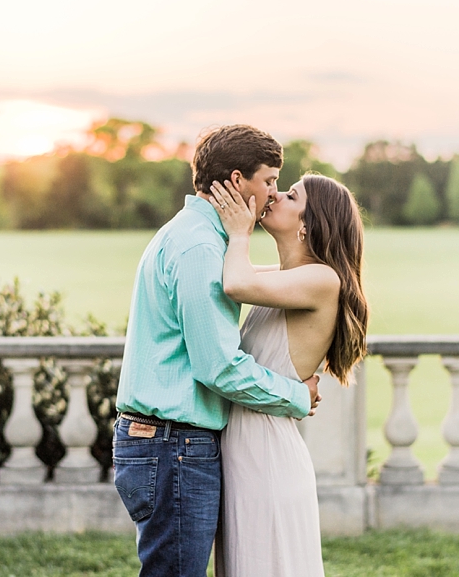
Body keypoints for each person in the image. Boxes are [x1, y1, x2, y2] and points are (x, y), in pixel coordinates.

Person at [113, 125, 322, 577]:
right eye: (268, 180)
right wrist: (297, 396)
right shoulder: (201, 248)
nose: (273, 192)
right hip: (173, 447)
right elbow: (219, 367)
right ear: (234, 181)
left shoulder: (197, 237)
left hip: (168, 445)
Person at [207, 173, 369, 577]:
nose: (275, 195)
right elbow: (220, 273)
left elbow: (234, 282)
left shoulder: (322, 279)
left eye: (290, 194)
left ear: (307, 223)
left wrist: (239, 231)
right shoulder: (285, 277)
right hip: (246, 449)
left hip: (266, 458)